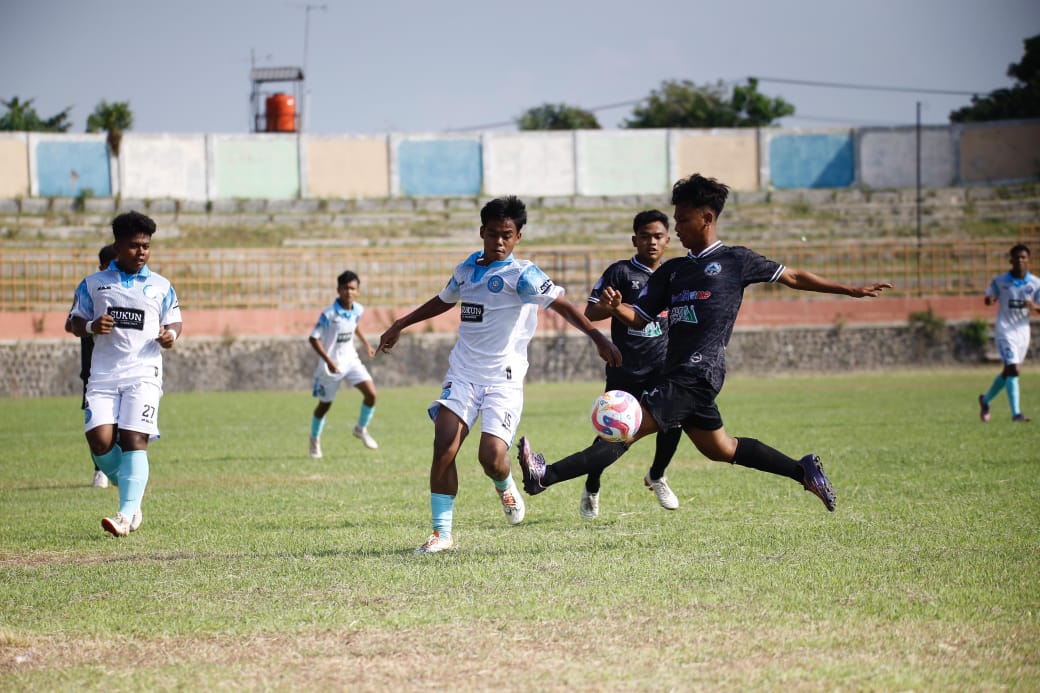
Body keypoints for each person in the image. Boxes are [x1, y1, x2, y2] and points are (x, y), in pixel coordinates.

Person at [517, 173, 893, 513]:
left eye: (681, 219)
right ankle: (804, 470)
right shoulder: (673, 270)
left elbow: (792, 276)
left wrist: (851, 290)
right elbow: (641, 318)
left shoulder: (735, 261)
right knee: (721, 448)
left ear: (707, 219)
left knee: (627, 429)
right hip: (677, 372)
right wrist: (616, 309)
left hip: (698, 373)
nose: (676, 228)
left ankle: (544, 476)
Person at [377, 195, 621, 554]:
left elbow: (563, 306)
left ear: (519, 236)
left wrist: (598, 337)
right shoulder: (466, 269)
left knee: (490, 457)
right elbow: (444, 299)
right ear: (482, 232)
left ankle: (505, 483)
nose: (500, 242)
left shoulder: (522, 275)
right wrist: (401, 323)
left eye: (507, 235)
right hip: (462, 373)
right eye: (493, 234)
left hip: (503, 379)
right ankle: (442, 534)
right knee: (444, 444)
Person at [69, 211, 182, 537]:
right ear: (117, 246)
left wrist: (170, 335)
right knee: (100, 443)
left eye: (146, 245)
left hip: (144, 374)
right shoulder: (94, 284)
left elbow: (174, 319)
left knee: (135, 439)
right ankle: (133, 496)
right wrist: (91, 326)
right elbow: (75, 321)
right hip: (103, 375)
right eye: (134, 246)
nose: (142, 252)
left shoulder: (161, 286)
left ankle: (124, 514)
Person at [579, 209, 683, 519]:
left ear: (667, 240)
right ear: (634, 239)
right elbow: (590, 313)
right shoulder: (621, 272)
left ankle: (657, 474)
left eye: (658, 237)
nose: (652, 242)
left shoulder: (675, 275)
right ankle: (593, 484)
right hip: (626, 370)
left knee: (674, 422)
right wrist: (610, 308)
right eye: (646, 236)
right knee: (614, 436)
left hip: (663, 368)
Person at [308, 269, 379, 457]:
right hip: (331, 365)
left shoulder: (358, 309)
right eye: (345, 288)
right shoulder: (329, 315)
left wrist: (366, 344)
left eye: (352, 288)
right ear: (338, 290)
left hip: (351, 360)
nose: (349, 292)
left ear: (358, 291)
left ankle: (360, 429)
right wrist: (329, 361)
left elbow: (354, 325)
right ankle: (314, 440)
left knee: (371, 394)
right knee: (324, 406)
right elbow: (313, 338)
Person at [65, 243, 118, 488]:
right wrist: (91, 325)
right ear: (102, 266)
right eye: (110, 265)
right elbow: (70, 324)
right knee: (97, 422)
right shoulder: (91, 289)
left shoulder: (132, 290)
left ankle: (122, 468)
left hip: (126, 369)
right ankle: (100, 469)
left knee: (122, 423)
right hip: (94, 370)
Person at [978, 244, 1039, 423]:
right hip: (1005, 329)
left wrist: (1035, 307)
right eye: (1017, 257)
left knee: (1009, 371)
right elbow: (988, 298)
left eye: (1023, 257)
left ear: (1028, 260)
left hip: (1023, 331)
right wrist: (989, 299)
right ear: (1010, 260)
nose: (1020, 260)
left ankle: (985, 400)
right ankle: (1016, 414)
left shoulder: (1036, 283)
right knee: (1013, 369)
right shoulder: (1000, 281)